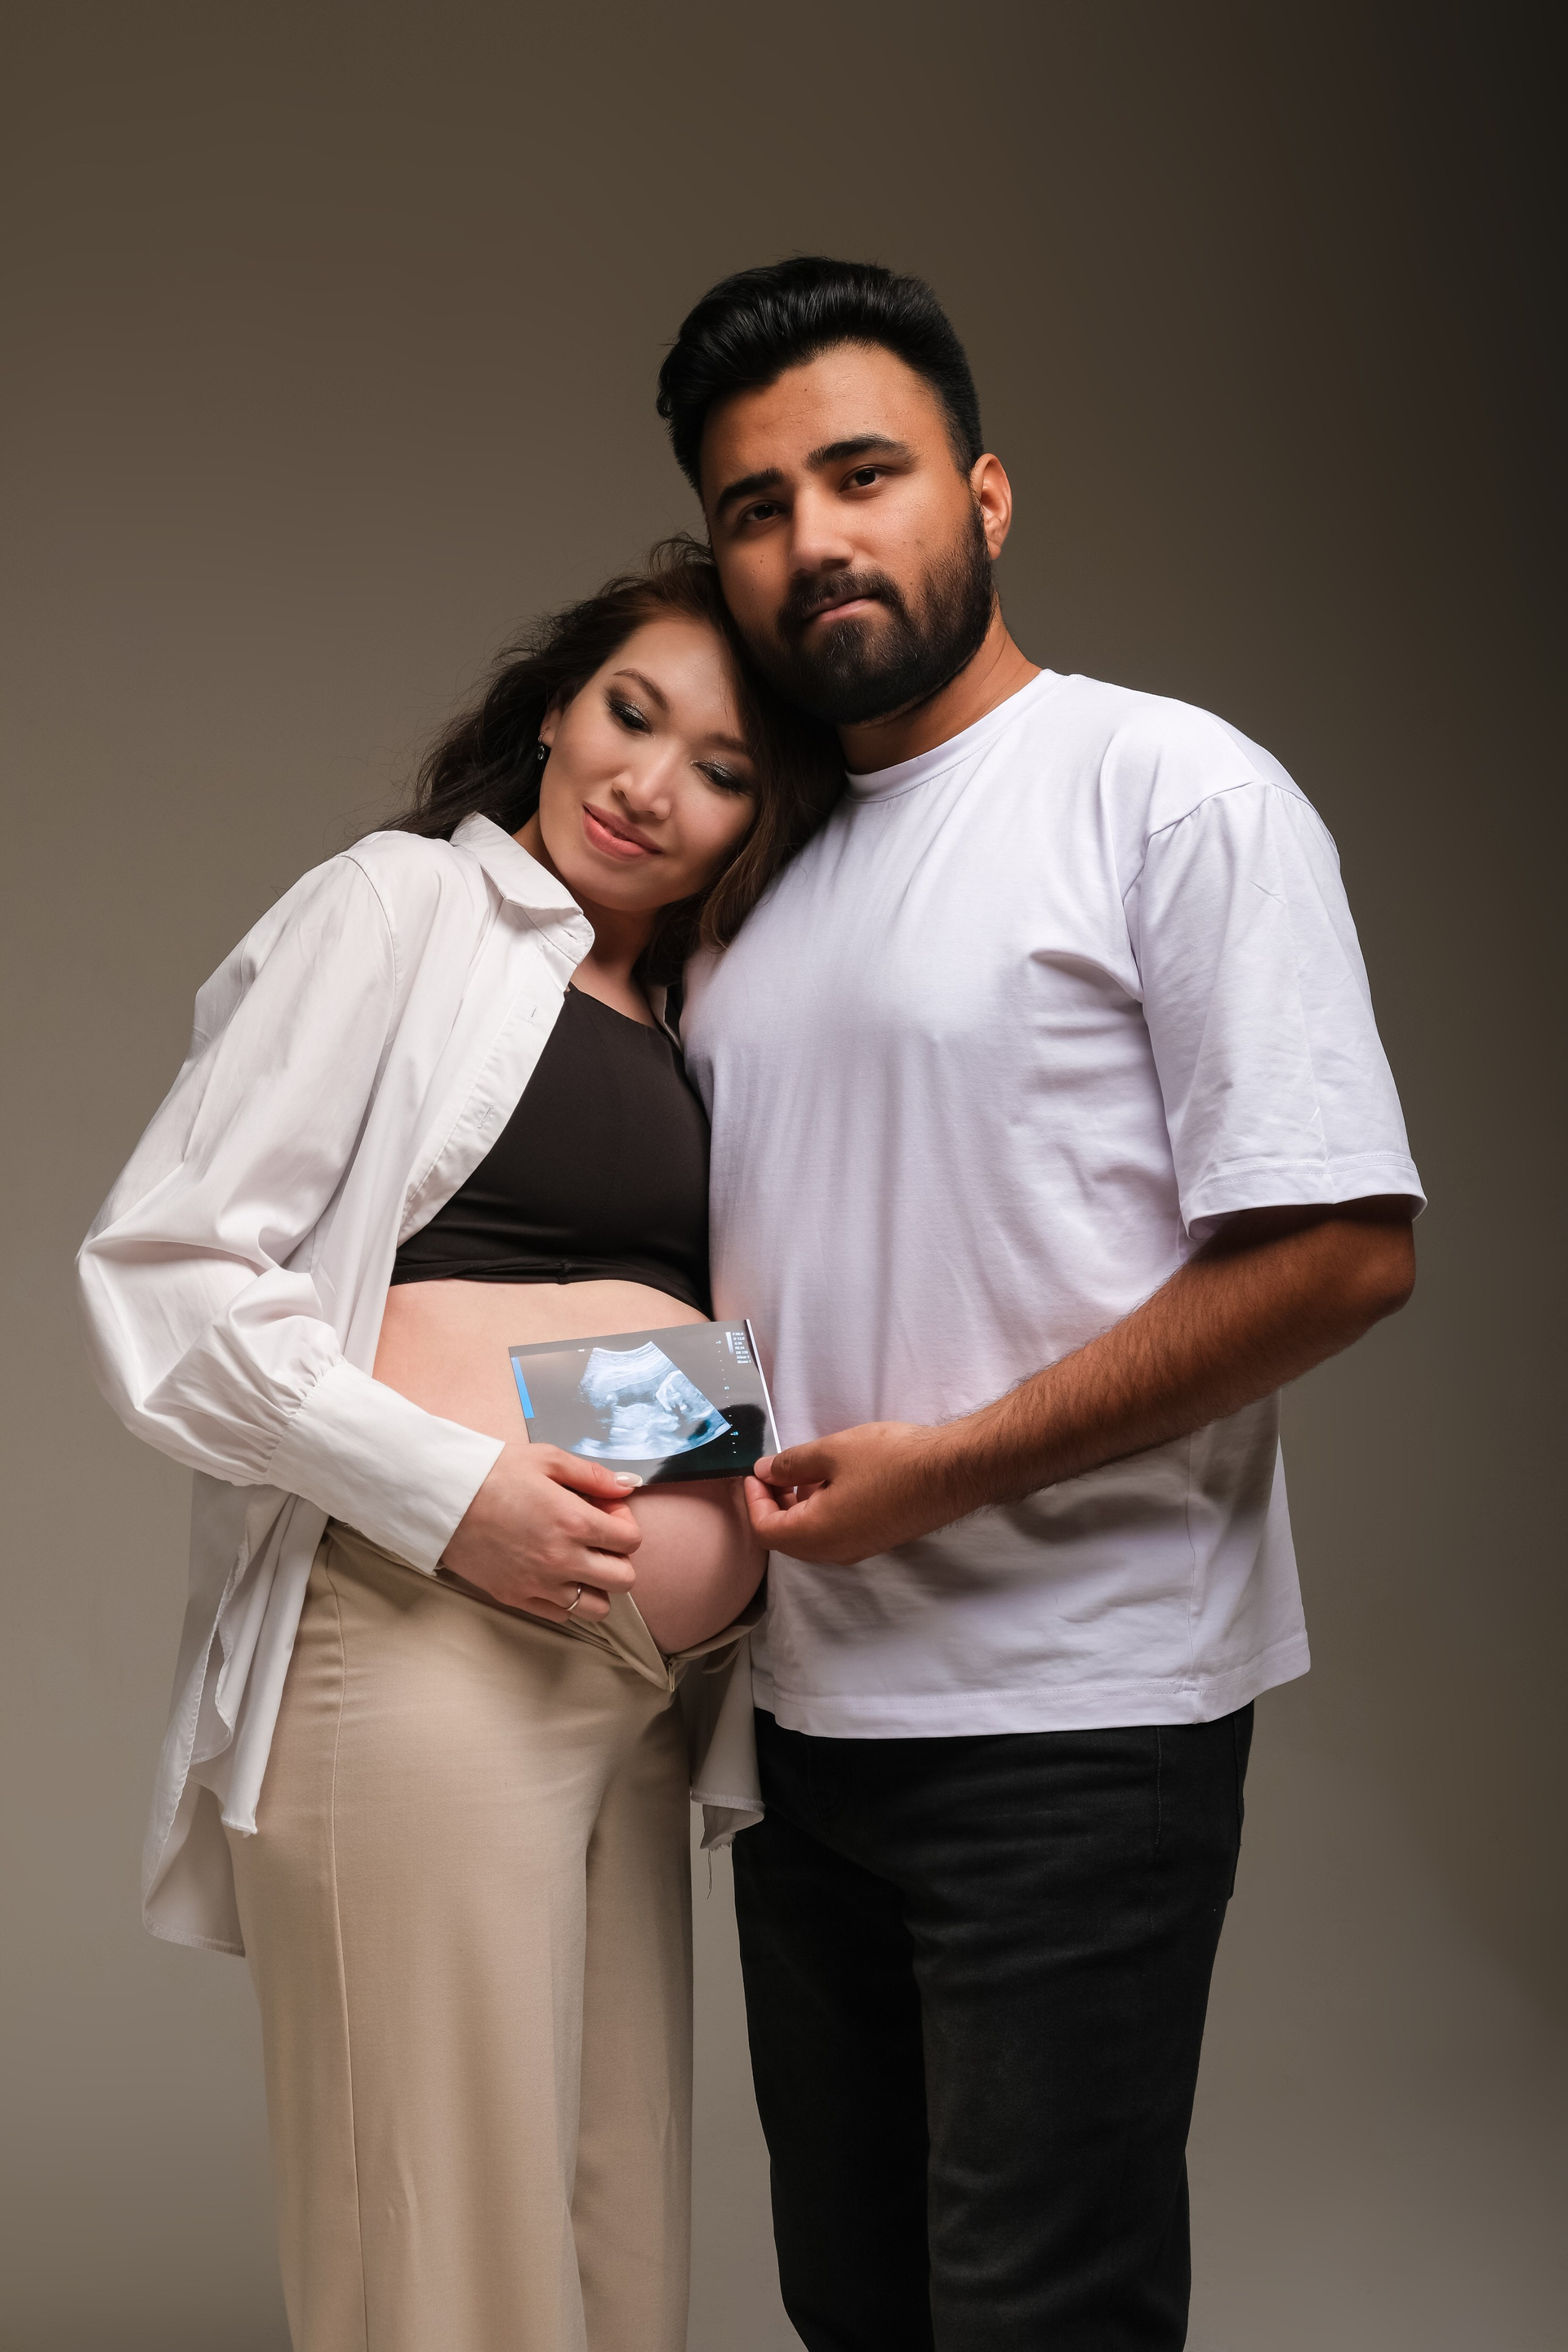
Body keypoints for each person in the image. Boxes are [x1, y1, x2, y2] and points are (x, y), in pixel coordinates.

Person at [657, 257, 1424, 2351]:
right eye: (754, 506)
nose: (814, 539)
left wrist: (952, 1472)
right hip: (801, 1723)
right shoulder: (753, 877)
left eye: (864, 474)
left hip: (1077, 1717)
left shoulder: (1166, 790)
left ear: (984, 496)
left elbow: (1346, 1248)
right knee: (856, 2308)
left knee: (1036, 2318)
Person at [75, 539, 842, 2352]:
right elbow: (165, 1277)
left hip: (640, 1682)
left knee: (614, 2256)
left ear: (763, 820)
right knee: (443, 2279)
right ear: (555, 709)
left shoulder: (702, 1020)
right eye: (629, 714)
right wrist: (458, 1495)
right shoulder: (407, 908)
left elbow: (662, 1348)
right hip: (430, 1630)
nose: (648, 784)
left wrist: (702, 1519)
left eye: (721, 769)